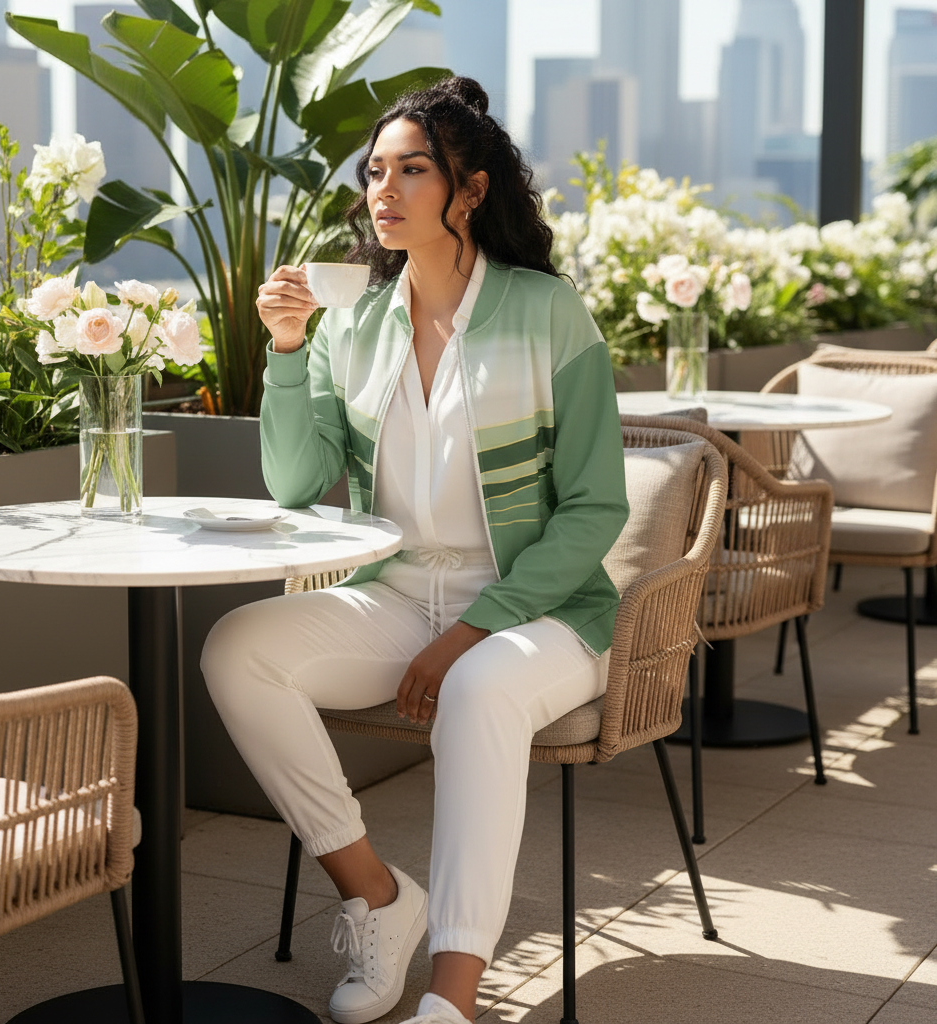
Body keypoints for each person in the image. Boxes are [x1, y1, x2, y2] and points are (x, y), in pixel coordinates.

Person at [200, 77, 628, 1024]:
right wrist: (283, 347)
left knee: (476, 687)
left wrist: (475, 627)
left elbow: (596, 509)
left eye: (412, 170)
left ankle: (453, 998)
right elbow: (292, 481)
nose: (382, 191)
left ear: (470, 192)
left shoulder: (548, 314)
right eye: (374, 173)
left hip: (540, 608)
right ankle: (379, 900)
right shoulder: (352, 321)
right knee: (237, 647)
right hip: (394, 594)